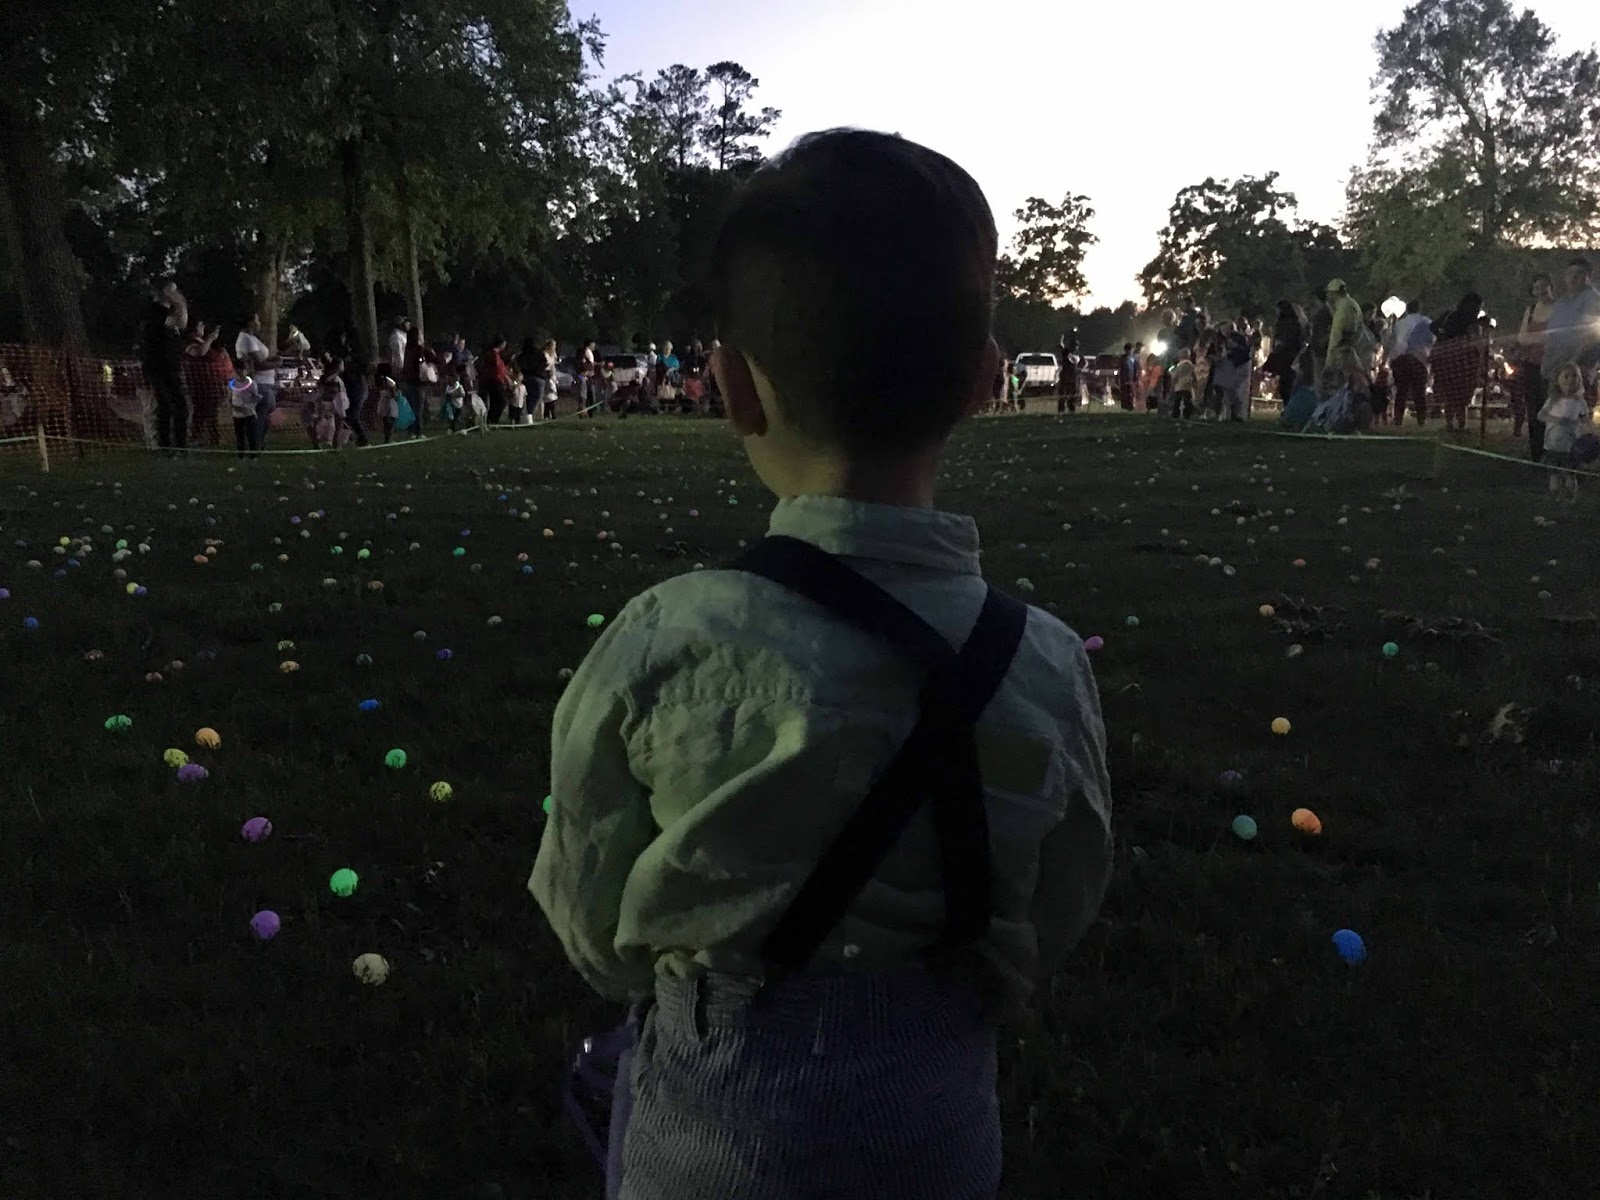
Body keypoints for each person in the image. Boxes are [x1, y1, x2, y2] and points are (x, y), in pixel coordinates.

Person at [530, 128, 1112, 1200]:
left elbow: (591, 916)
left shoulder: (664, 641)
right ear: (985, 381)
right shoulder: (1040, 663)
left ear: (732, 389)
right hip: (936, 1127)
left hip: (711, 1133)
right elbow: (1060, 902)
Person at [1542, 258, 1600, 403]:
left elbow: (1592, 335)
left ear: (1588, 276)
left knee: (1573, 413)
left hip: (1576, 373)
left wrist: (1572, 362)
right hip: (1553, 370)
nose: (1573, 278)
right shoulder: (1561, 303)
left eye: (1579, 273)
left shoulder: (1593, 299)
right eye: (1570, 273)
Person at [1430, 293, 1486, 434]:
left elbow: (1433, 326)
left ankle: (1449, 423)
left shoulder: (1449, 315)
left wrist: (1442, 336)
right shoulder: (1473, 321)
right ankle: (1461, 424)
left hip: (1446, 357)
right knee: (1463, 392)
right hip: (1464, 358)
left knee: (1450, 391)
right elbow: (1477, 340)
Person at [141, 291, 187, 451]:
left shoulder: (173, 331)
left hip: (171, 371)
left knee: (179, 407)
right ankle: (165, 445)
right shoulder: (157, 324)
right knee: (165, 406)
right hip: (159, 371)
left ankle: (179, 445)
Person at [1516, 274, 1556, 460]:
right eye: (1537, 287)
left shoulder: (1558, 309)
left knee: (1552, 406)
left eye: (1545, 286)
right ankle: (1536, 452)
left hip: (1553, 365)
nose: (1541, 290)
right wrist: (1541, 338)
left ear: (1551, 287)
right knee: (1534, 409)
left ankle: (1553, 449)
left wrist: (1534, 338)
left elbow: (1557, 337)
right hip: (1532, 364)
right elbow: (1522, 338)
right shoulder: (1531, 310)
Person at [1537, 363, 1590, 499]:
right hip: (1552, 445)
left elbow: (1585, 420)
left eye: (1574, 376)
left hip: (1571, 445)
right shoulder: (1553, 400)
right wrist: (1555, 420)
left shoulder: (1580, 402)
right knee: (1554, 474)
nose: (1570, 379)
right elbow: (1541, 415)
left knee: (1569, 473)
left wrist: (1582, 429)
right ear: (1557, 380)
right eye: (1566, 376)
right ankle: (1556, 498)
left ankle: (1571, 497)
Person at [182, 320, 231, 447]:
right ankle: (200, 438)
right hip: (201, 386)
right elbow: (201, 352)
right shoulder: (190, 345)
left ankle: (206, 438)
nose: (203, 327)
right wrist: (210, 338)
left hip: (212, 384)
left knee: (209, 413)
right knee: (203, 413)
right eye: (200, 325)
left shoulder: (203, 342)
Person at [1388, 300, 1435, 427]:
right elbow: (1431, 341)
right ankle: (1421, 419)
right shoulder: (1427, 322)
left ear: (1407, 310)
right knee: (1420, 392)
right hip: (1420, 359)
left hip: (1401, 358)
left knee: (1401, 391)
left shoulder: (1400, 324)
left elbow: (1393, 342)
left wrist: (1391, 359)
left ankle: (1398, 419)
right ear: (1419, 309)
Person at [234, 313, 277, 448]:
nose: (259, 323)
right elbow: (258, 363)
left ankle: (258, 443)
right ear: (250, 322)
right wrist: (277, 364)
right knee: (259, 414)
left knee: (266, 411)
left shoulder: (252, 338)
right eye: (257, 320)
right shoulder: (247, 339)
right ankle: (255, 445)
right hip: (259, 382)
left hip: (266, 382)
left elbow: (262, 359)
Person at [1266, 299, 1305, 400]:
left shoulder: (1285, 324)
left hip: (1286, 356)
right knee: (1287, 383)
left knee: (1286, 383)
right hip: (1290, 356)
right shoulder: (1295, 323)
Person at [1324, 280, 1367, 370]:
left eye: (1329, 293)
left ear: (1334, 293)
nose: (1328, 296)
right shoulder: (1353, 304)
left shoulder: (1343, 308)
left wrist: (1329, 362)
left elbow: (1336, 335)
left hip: (1342, 355)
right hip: (1354, 350)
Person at [227, 357, 261, 457]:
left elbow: (255, 397)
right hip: (237, 414)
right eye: (237, 370)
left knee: (251, 435)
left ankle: (253, 455)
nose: (239, 372)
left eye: (242, 370)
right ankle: (241, 455)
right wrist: (232, 407)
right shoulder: (232, 384)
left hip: (249, 413)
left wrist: (252, 404)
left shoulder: (251, 384)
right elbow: (229, 398)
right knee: (239, 435)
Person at [481, 335, 511, 424]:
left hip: (494, 380)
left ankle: (491, 421)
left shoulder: (495, 354)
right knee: (502, 401)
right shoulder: (493, 354)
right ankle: (494, 420)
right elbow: (498, 369)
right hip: (495, 380)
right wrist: (506, 378)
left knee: (495, 402)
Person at [1169, 349, 1196, 420]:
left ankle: (1175, 414)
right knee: (1187, 401)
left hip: (1179, 385)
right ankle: (1187, 415)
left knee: (1177, 401)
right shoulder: (1191, 365)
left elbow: (1176, 375)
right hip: (1188, 385)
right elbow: (1193, 375)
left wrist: (1172, 381)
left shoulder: (1181, 365)